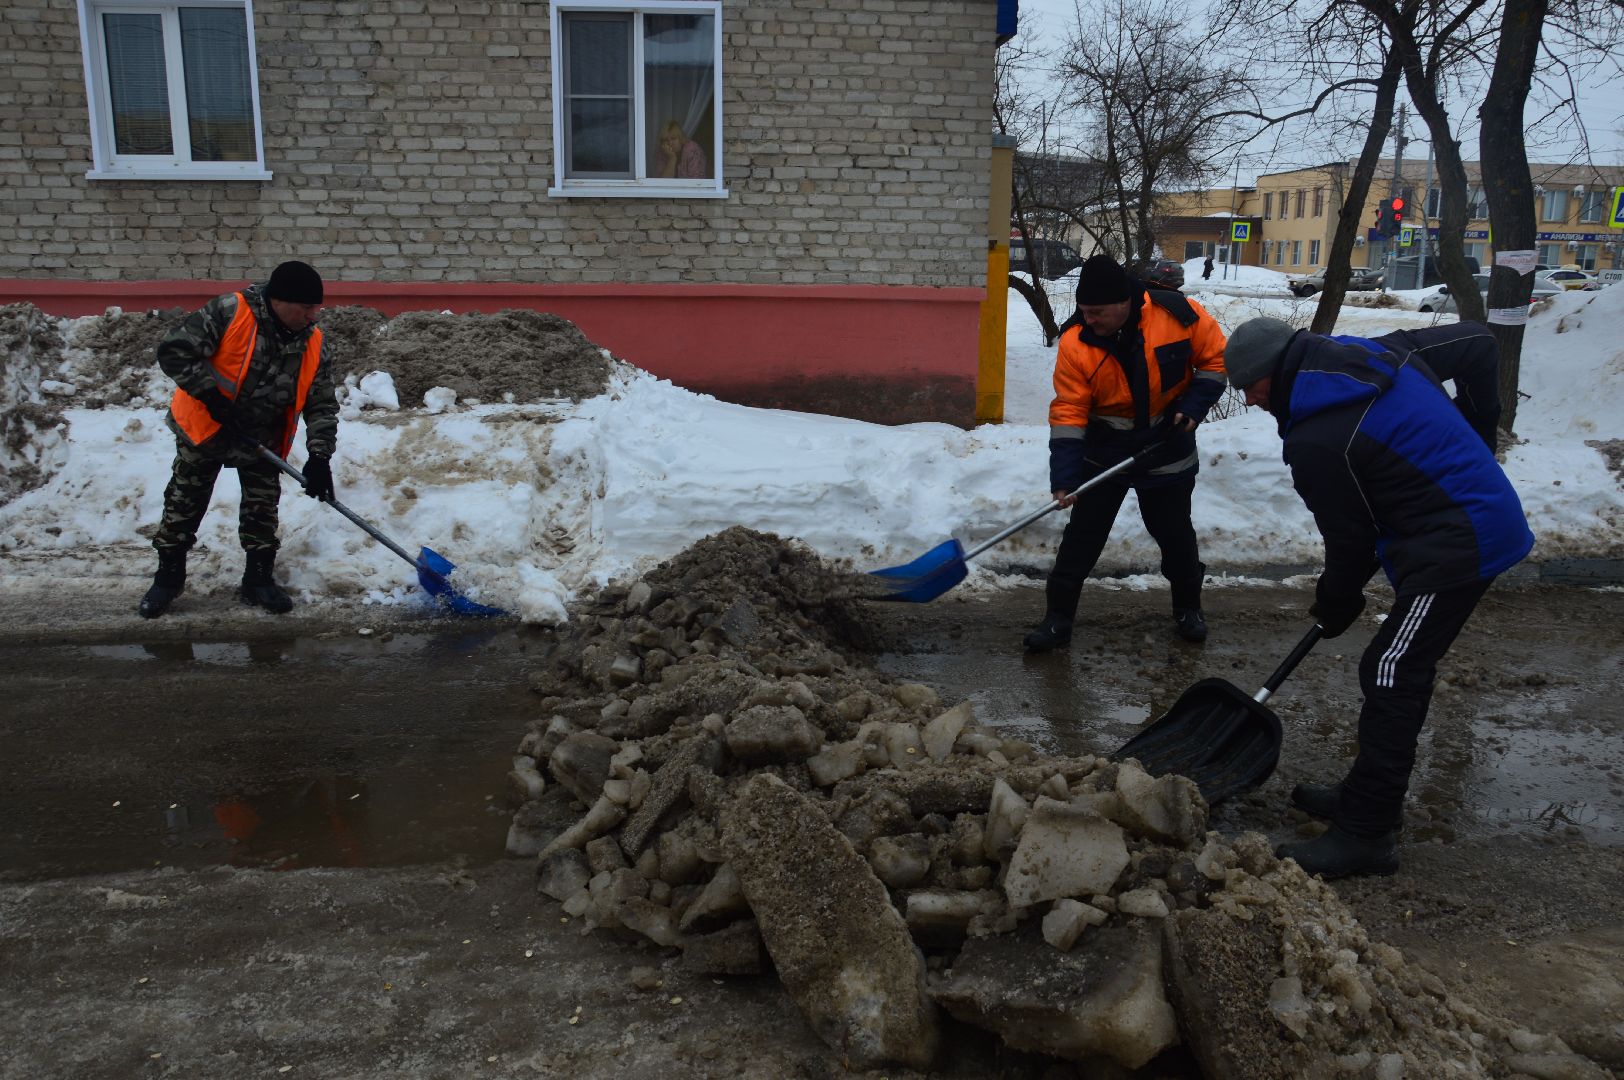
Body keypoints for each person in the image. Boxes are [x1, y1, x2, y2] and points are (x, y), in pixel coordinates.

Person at [1223, 317, 1534, 879]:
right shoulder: (1378, 353)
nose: (1249, 399)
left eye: (1251, 385)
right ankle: (1365, 797)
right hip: (1451, 524)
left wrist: (1335, 601)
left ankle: (1367, 832)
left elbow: (1350, 542)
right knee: (1391, 666)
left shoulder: (1318, 441)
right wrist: (1479, 432)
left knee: (1393, 669)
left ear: (1278, 370)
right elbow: (1478, 344)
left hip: (1465, 540)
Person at [1024, 254, 1229, 652]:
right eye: (1084, 311)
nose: (1089, 320)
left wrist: (1193, 407)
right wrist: (1064, 477)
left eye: (1097, 312)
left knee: (1175, 535)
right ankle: (1057, 619)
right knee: (1082, 538)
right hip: (1105, 452)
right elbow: (1068, 411)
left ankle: (1188, 609)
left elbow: (1215, 359)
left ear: (1124, 303)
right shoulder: (1076, 342)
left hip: (1167, 443)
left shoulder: (1178, 315)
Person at [137, 260, 339, 618]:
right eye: (306, 307)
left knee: (262, 507)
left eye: (315, 308)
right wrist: (210, 395)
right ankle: (168, 578)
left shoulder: (314, 343)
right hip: (207, 426)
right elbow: (174, 350)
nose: (313, 316)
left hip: (261, 435)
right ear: (280, 300)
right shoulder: (231, 312)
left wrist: (320, 457)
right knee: (185, 501)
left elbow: (321, 403)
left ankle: (258, 579)